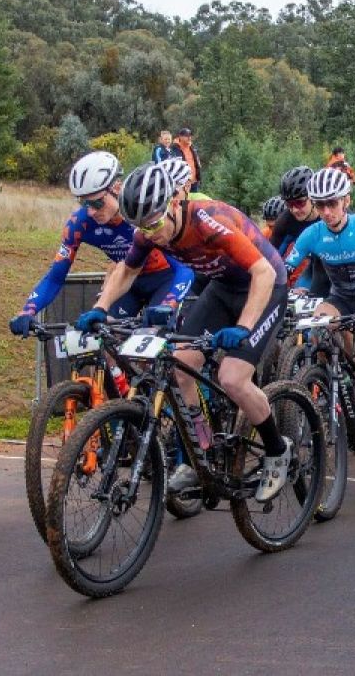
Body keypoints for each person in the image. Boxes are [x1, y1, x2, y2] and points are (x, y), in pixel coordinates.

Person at [81, 163, 292, 502]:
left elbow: (263, 272)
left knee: (233, 378)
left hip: (266, 286)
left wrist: (243, 327)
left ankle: (277, 448)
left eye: (154, 223)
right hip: (223, 287)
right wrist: (101, 307)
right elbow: (128, 270)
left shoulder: (209, 220)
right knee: (181, 365)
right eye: (141, 227)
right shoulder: (148, 229)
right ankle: (201, 452)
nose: (150, 233)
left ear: (175, 200)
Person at [284, 167, 355, 464]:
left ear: (346, 201)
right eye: (320, 205)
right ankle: (329, 380)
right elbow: (283, 273)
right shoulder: (312, 235)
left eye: (332, 203)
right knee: (317, 330)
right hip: (340, 299)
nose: (326, 211)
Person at [8, 151, 194, 338]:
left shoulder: (142, 214)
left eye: (97, 203)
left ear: (117, 188)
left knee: (153, 340)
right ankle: (114, 369)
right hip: (127, 281)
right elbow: (55, 276)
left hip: (166, 279)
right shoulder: (79, 224)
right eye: (83, 203)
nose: (90, 211)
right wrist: (28, 311)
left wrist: (168, 303)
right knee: (99, 337)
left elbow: (184, 269)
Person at [270, 166, 329, 297]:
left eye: (300, 203)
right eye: (289, 204)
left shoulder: (329, 213)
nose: (295, 209)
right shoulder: (285, 221)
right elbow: (271, 258)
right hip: (315, 266)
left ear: (313, 198)